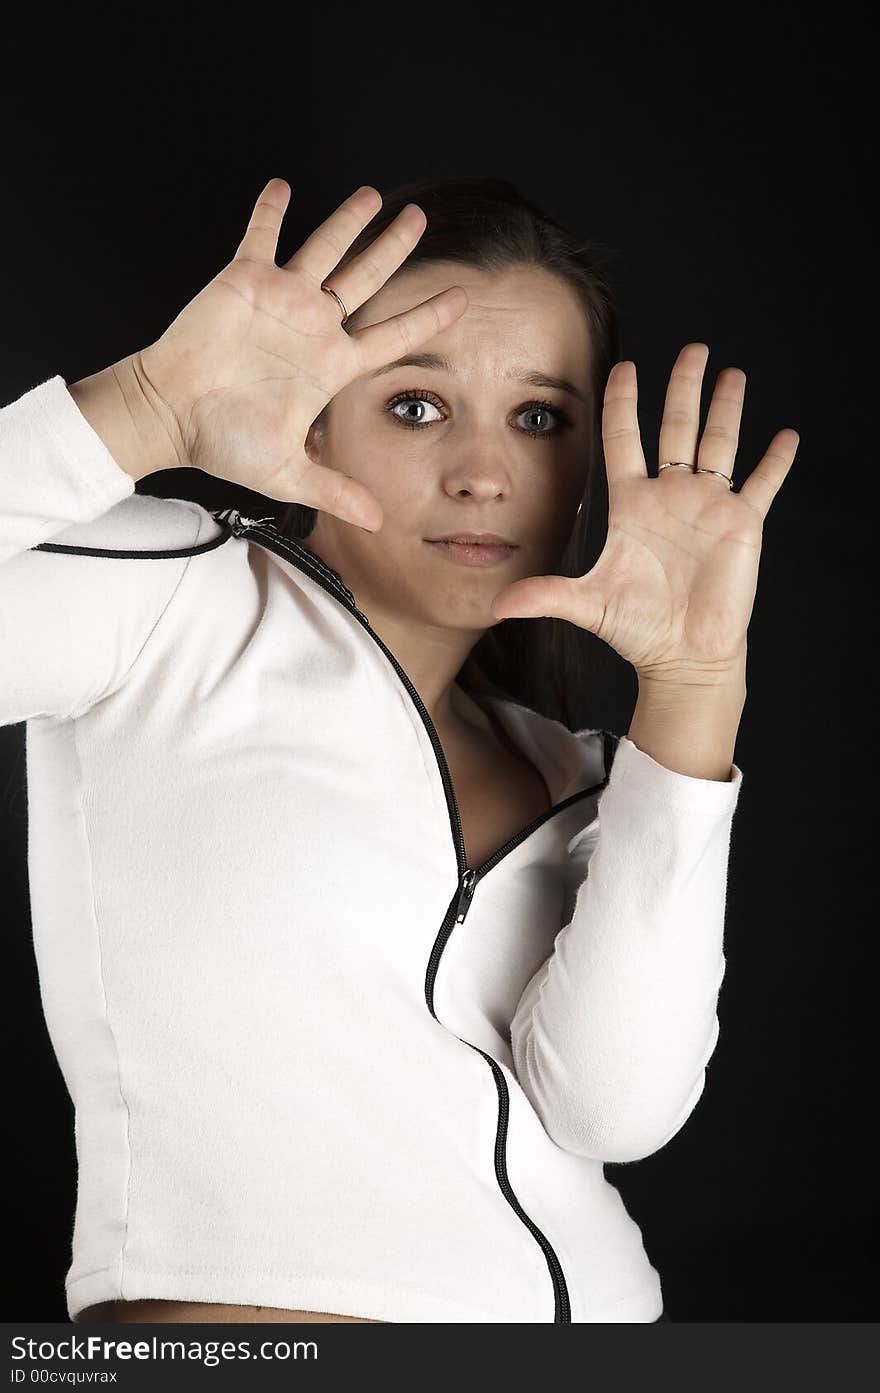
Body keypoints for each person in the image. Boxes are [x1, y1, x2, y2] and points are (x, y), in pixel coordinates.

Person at [0, 174, 796, 1323]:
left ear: (585, 472)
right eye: (417, 405)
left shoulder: (576, 772)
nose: (483, 471)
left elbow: (614, 1112)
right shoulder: (176, 602)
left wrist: (693, 687)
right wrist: (145, 408)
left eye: (538, 418)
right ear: (314, 414)